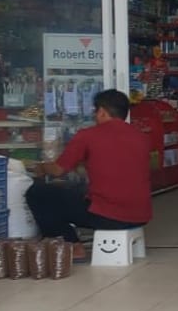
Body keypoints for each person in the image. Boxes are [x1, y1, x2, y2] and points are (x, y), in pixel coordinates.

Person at [26, 89, 152, 259]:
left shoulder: (88, 135)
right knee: (77, 192)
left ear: (102, 112)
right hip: (141, 215)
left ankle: (71, 244)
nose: (94, 116)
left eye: (95, 111)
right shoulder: (141, 137)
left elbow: (57, 170)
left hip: (107, 216)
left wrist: (41, 168)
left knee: (38, 193)